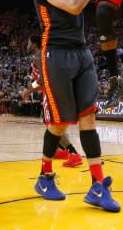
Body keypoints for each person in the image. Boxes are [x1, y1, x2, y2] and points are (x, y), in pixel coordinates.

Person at [32, 0, 120, 212]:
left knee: (88, 118)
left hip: (82, 54)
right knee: (59, 125)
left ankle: (97, 185)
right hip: (57, 55)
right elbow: (73, 6)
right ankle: (44, 177)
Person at [24, 34, 83, 168]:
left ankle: (73, 153)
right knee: (56, 122)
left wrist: (28, 90)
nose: (27, 46)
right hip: (58, 88)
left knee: (52, 123)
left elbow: (43, 79)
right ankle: (61, 150)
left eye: (28, 43)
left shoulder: (38, 55)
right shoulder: (46, 54)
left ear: (34, 44)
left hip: (50, 91)